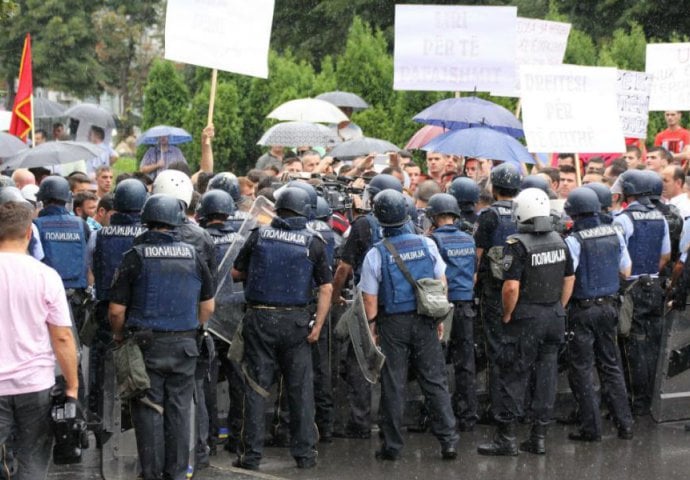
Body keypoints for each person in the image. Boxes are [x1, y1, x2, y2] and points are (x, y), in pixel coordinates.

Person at [109, 194, 215, 480]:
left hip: (146, 346)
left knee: (148, 410)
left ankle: (152, 473)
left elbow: (116, 311)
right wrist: (192, 329)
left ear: (147, 220)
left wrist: (119, 337)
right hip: (185, 345)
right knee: (180, 411)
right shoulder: (193, 255)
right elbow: (208, 306)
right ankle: (178, 473)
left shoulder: (134, 256)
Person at [231, 187, 332, 470]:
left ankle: (251, 455)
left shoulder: (259, 235)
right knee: (300, 389)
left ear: (278, 209)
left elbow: (236, 272)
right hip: (296, 323)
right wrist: (318, 325)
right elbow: (326, 286)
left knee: (256, 387)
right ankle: (305, 454)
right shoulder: (314, 242)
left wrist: (265, 272)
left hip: (260, 319)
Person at [359, 189, 458, 461]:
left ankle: (392, 446)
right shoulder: (427, 244)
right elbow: (441, 283)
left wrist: (372, 329)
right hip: (426, 318)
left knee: (393, 384)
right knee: (435, 381)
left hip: (394, 323)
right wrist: (439, 318)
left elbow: (370, 299)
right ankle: (449, 441)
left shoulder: (376, 254)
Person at [477, 188, 574, 456]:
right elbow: (569, 279)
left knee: (513, 373)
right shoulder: (560, 240)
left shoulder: (517, 245)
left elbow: (510, 288)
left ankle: (506, 438)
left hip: (526, 317)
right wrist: (557, 307)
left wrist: (508, 314)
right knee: (546, 377)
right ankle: (538, 437)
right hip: (553, 315)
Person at [0, 201, 79, 480]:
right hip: (35, 385)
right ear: (29, 234)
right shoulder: (46, 276)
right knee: (33, 460)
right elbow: (62, 336)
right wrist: (72, 385)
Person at [331, 174, 403, 438]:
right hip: (396, 303)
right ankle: (390, 423)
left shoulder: (363, 224)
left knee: (359, 361)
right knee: (393, 364)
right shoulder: (410, 225)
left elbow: (344, 268)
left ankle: (359, 423)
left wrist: (335, 295)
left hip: (366, 301)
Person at [563, 187, 634, 442]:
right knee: (611, 366)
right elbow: (626, 270)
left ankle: (590, 429)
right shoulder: (615, 231)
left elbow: (568, 279)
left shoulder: (574, 240)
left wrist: (561, 307)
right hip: (610, 307)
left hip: (583, 309)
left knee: (581, 369)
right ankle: (625, 424)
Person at [613, 169, 671, 416]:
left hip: (632, 290)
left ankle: (634, 403)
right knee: (652, 345)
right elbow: (666, 255)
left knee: (631, 346)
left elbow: (621, 263)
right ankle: (647, 400)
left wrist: (633, 279)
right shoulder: (661, 217)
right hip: (655, 287)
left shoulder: (623, 219)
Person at [88, 179, 147, 418]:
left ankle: (101, 418)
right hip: (140, 313)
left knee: (103, 372)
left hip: (106, 311)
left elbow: (92, 268)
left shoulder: (99, 235)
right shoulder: (148, 234)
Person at [196, 189, 245, 456]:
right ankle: (237, 438)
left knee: (207, 382)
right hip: (235, 317)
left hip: (210, 318)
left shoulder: (201, 240)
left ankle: (210, 438)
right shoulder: (241, 238)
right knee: (238, 381)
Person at [426, 193, 477, 431]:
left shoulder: (433, 241)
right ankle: (467, 416)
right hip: (466, 306)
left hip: (443, 307)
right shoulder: (468, 239)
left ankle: (440, 416)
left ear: (434, 216)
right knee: (465, 363)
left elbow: (432, 275)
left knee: (437, 365)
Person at [474, 163, 521, 419]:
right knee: (516, 350)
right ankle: (515, 405)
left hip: (494, 290)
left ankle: (498, 408)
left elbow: (478, 256)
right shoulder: (525, 212)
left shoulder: (488, 216)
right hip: (519, 287)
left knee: (495, 349)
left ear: (493, 187)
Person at [33, 176, 91, 323]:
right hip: (76, 295)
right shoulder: (81, 224)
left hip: (45, 295)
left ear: (42, 201)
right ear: (67, 200)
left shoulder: (36, 225)